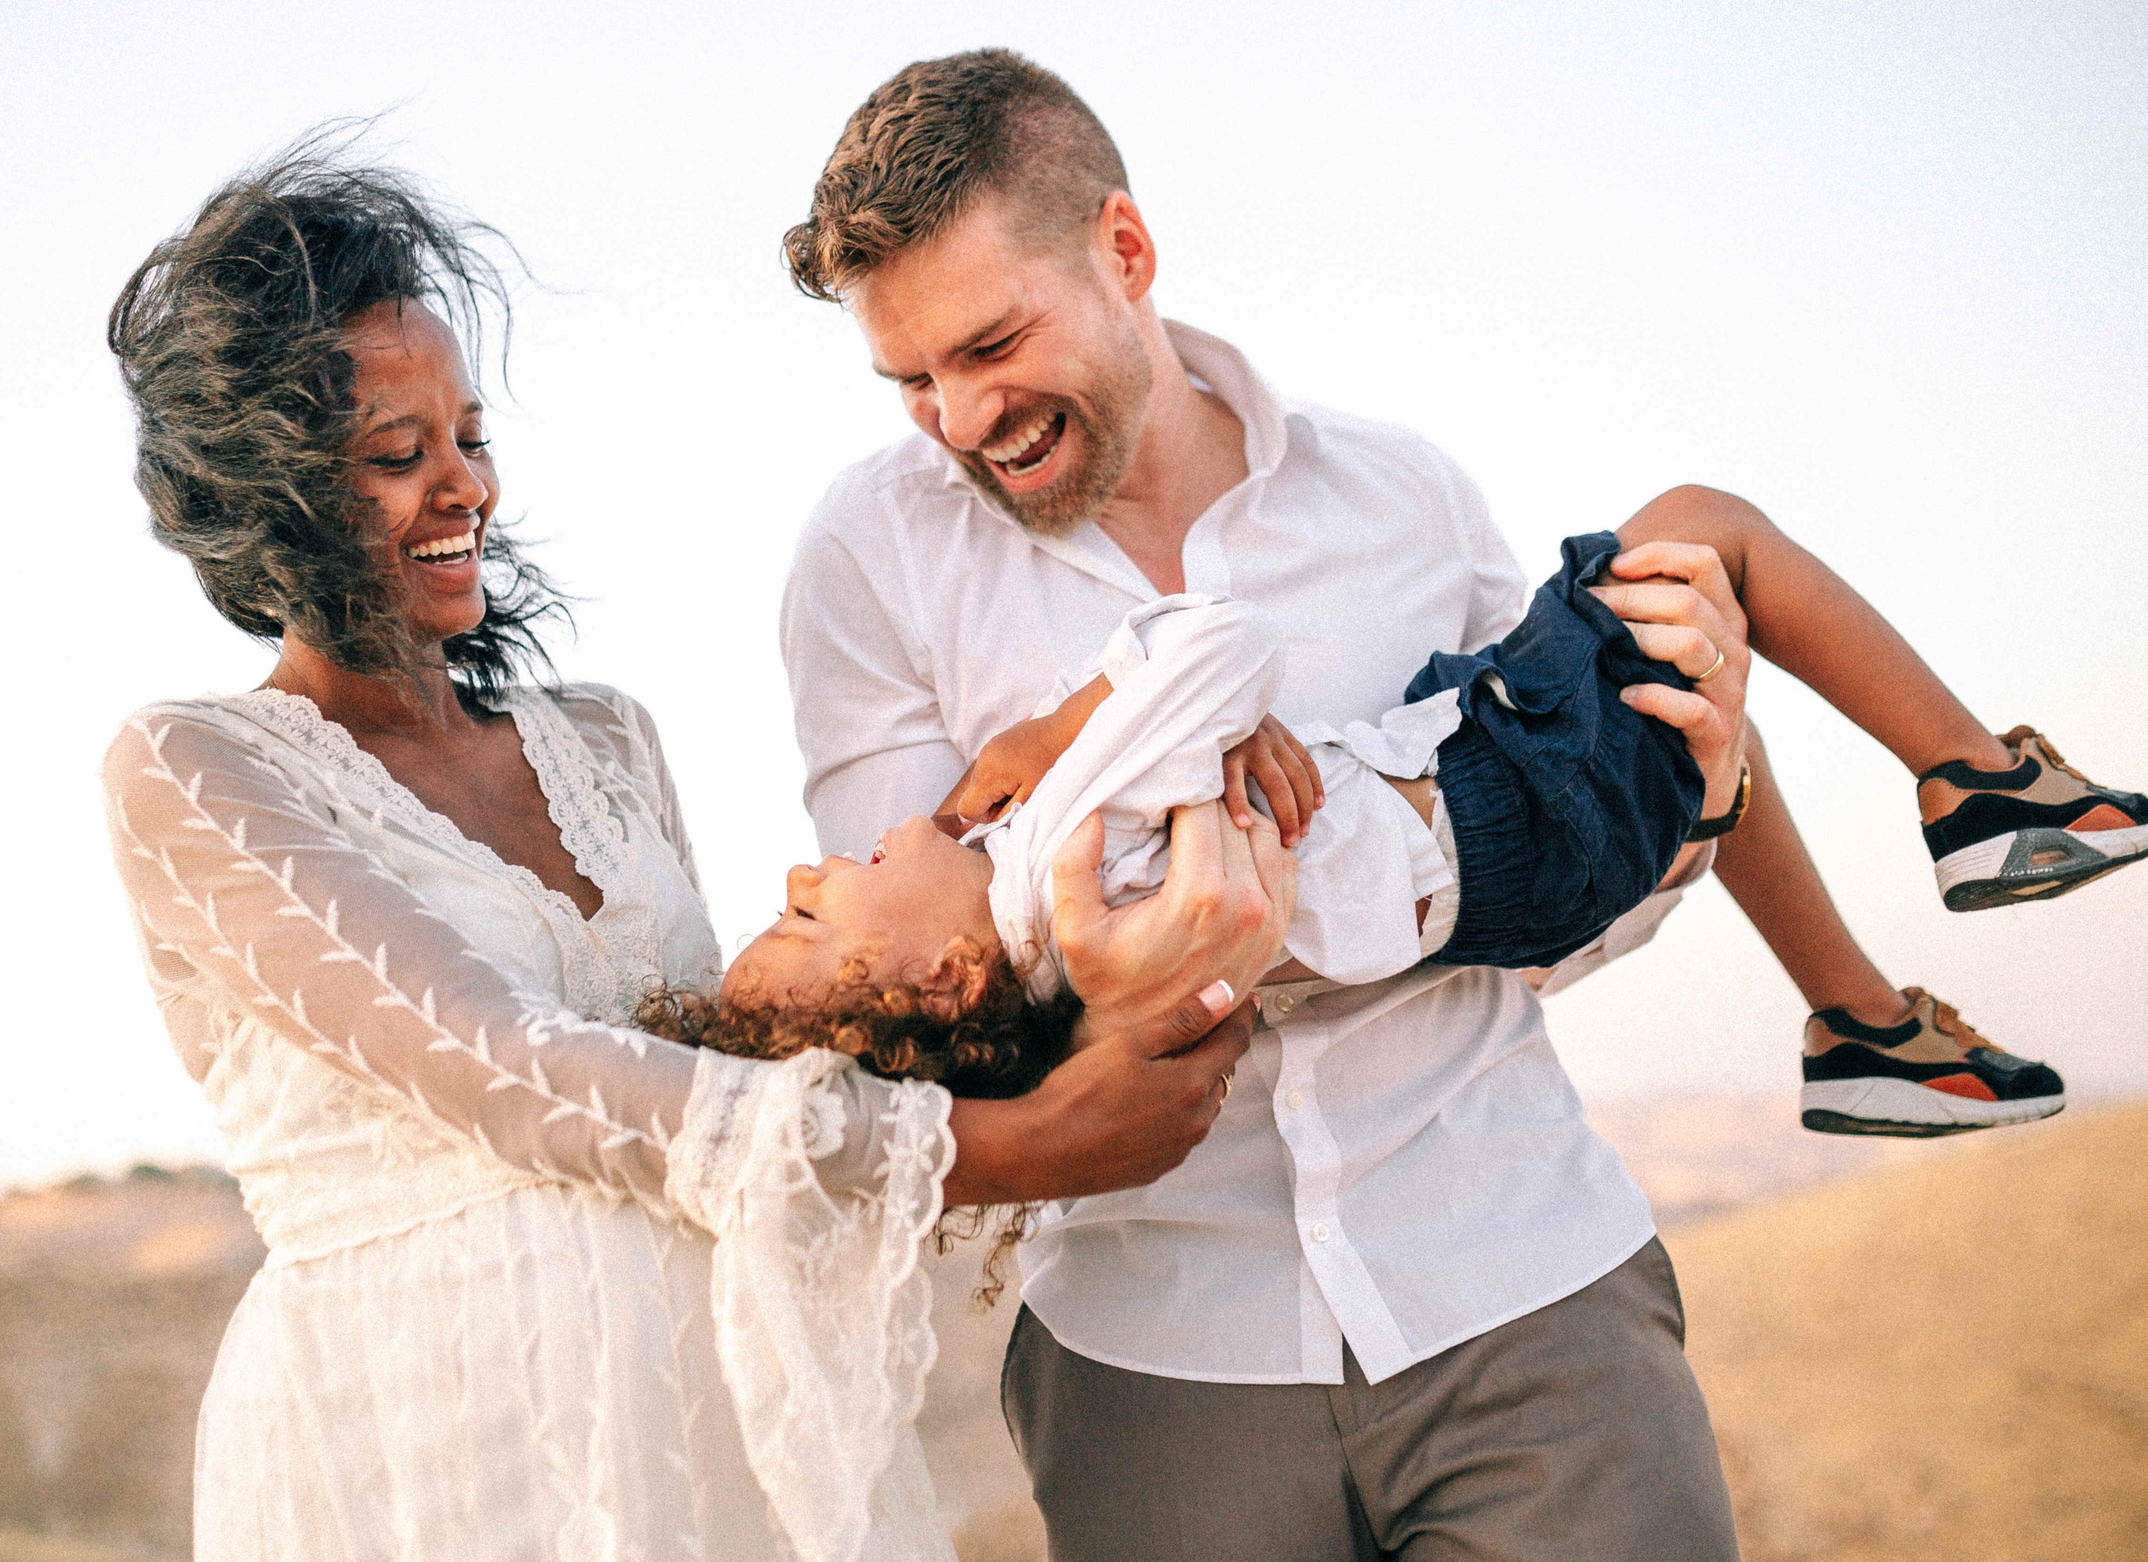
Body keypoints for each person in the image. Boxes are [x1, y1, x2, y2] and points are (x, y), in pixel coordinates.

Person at [764, 46, 2027, 1561]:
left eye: (990, 346)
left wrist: (1684, 806)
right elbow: (931, 995)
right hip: (1153, 1364)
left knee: (1679, 628)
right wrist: (1182, 955)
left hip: (1524, 1293)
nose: (960, 421)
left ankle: (1924, 907)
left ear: (1125, 250)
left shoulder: (1402, 497)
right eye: (911, 383)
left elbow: (1557, 927)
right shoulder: (866, 557)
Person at [96, 138, 1292, 1562]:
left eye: (469, 439)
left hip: (694, 1435)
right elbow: (502, 1070)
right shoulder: (196, 772)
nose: (464, 487)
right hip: (418, 1449)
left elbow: (774, 1055)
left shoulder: (606, 742)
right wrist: (1004, 1149)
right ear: (269, 498)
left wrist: (1102, 753)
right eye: (395, 457)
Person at [687, 478, 2135, 1138]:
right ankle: (1980, 786)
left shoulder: (1067, 967)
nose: (808, 874)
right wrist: (1065, 722)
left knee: (1685, 708)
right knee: (1705, 534)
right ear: (944, 976)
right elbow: (1220, 642)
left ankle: (1866, 1028)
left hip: (1487, 820)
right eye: (810, 919)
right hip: (1504, 802)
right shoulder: (1059, 846)